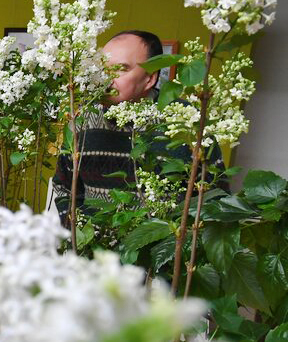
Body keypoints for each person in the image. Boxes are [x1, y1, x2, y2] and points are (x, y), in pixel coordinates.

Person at [52, 30, 195, 224]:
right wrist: (76, 232)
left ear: (150, 79)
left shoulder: (181, 119)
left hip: (154, 246)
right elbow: (64, 186)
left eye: (121, 68)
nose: (106, 78)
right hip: (91, 247)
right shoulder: (83, 116)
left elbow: (205, 194)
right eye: (102, 68)